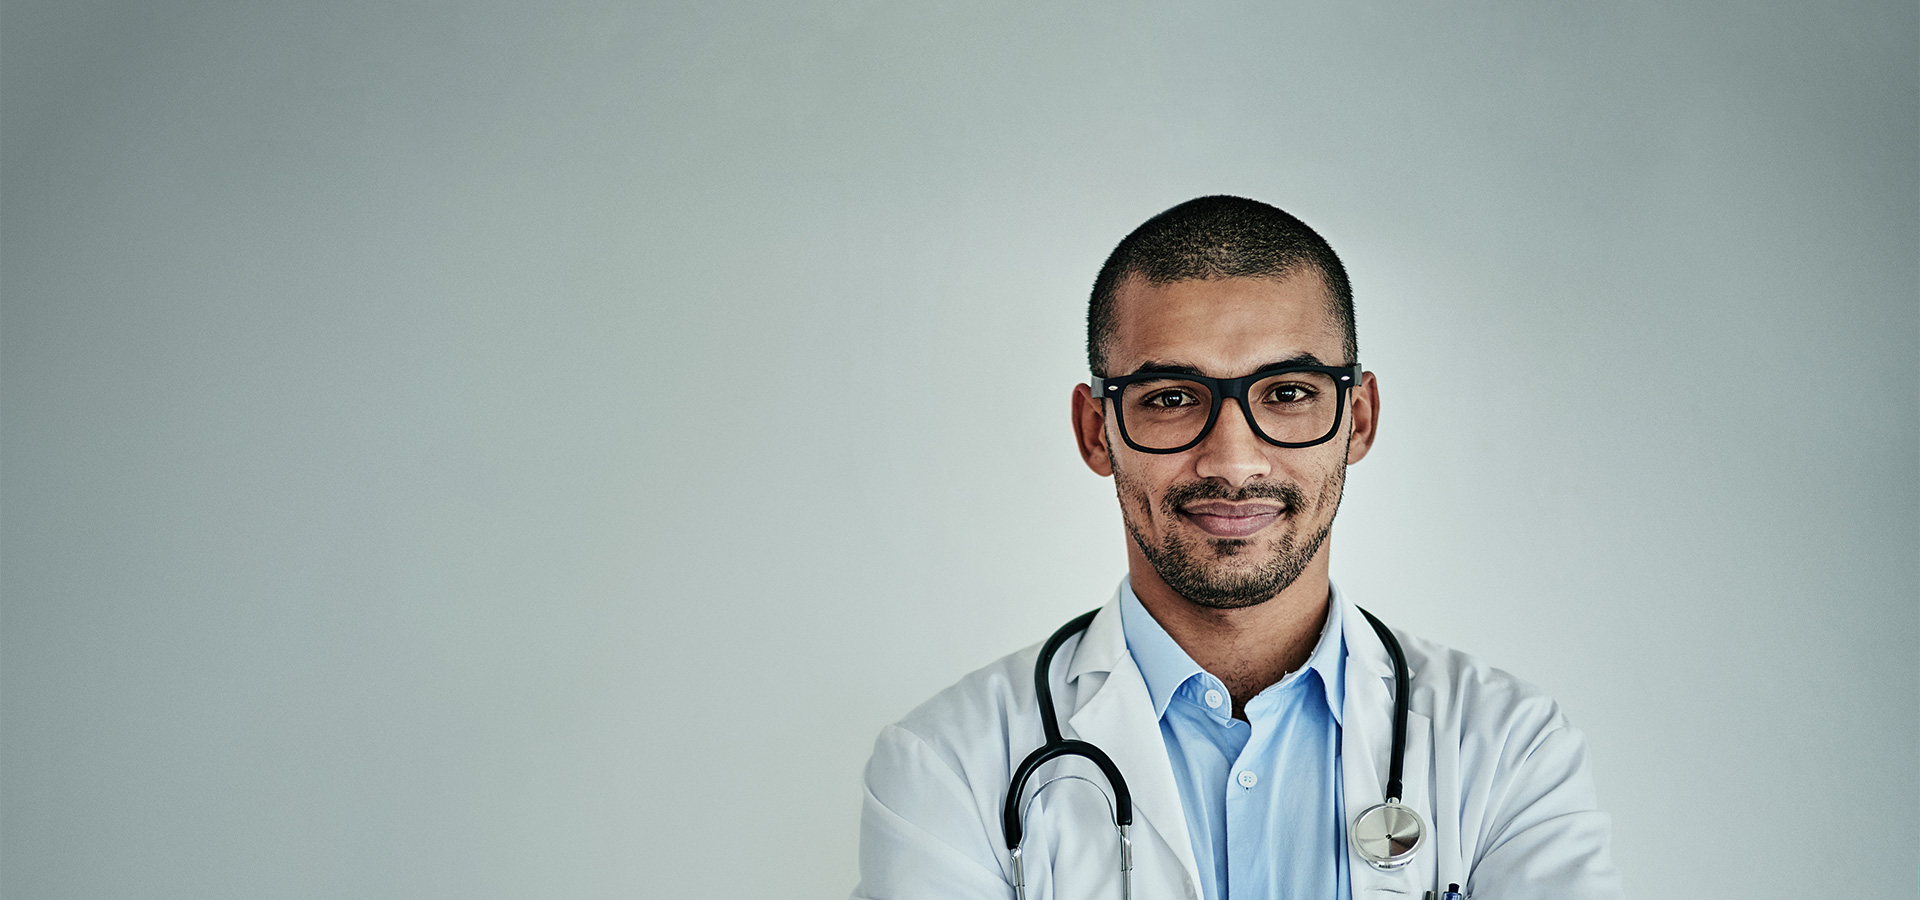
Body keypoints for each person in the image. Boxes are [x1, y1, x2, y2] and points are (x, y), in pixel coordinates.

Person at [853, 196, 1622, 900]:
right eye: (1170, 399)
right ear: (1096, 431)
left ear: (1357, 419)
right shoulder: (946, 766)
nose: (1232, 461)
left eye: (1287, 393)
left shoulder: (1507, 750)